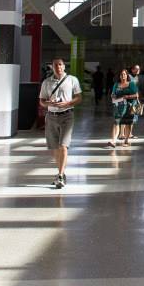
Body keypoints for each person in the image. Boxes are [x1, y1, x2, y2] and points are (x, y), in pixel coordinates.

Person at [38, 58, 82, 189]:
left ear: (64, 66)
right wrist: (48, 103)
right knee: (55, 147)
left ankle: (60, 175)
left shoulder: (72, 80)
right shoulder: (46, 82)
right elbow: (41, 100)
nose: (58, 67)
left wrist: (67, 103)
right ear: (52, 67)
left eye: (60, 64)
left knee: (63, 145)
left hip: (67, 115)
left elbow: (79, 97)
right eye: (55, 65)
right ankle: (61, 172)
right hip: (51, 116)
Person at [108, 69, 140, 147]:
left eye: (124, 74)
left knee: (127, 123)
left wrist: (127, 96)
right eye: (121, 75)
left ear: (127, 75)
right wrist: (113, 96)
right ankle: (114, 141)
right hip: (118, 106)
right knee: (116, 122)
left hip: (129, 106)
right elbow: (112, 94)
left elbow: (136, 95)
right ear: (119, 76)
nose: (123, 76)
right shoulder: (116, 84)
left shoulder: (131, 84)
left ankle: (126, 141)